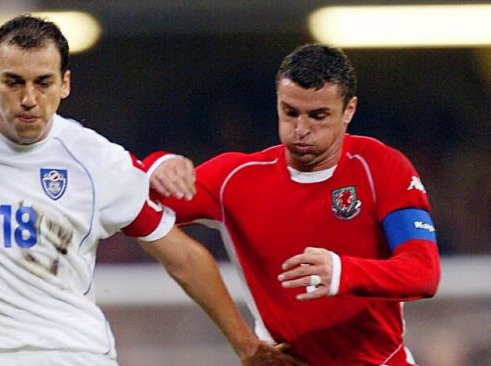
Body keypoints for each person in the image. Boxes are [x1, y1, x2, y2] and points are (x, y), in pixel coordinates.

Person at [0, 15, 301, 366]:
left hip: (76, 354)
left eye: (42, 83)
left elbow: (182, 255)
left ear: (65, 84)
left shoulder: (94, 158)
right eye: (13, 82)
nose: (27, 99)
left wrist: (244, 342)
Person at [149, 44, 441, 365]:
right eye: (290, 113)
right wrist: (159, 164)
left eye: (318, 116)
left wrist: (343, 272)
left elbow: (423, 272)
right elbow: (134, 203)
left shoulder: (382, 167)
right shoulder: (235, 179)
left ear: (349, 111)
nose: (301, 130)